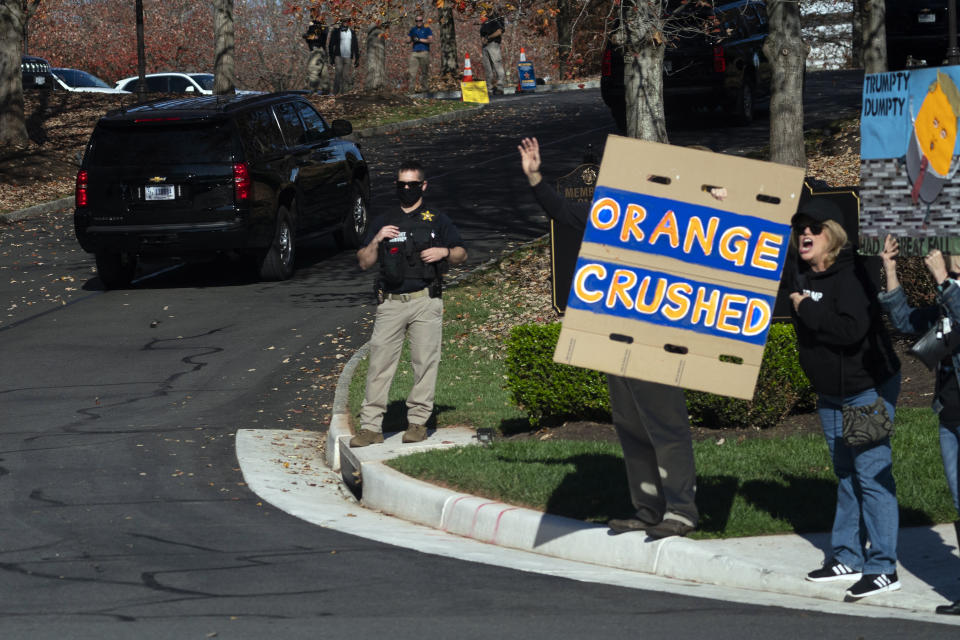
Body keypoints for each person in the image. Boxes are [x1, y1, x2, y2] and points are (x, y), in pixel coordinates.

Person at [517, 136, 698, 539]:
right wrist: (535, 179)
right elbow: (563, 211)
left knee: (666, 428)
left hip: (660, 338)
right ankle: (648, 509)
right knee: (630, 426)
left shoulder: (680, 219)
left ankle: (682, 511)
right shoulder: (611, 216)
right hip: (618, 337)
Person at [788, 197, 903, 599]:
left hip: (866, 388)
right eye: (801, 227)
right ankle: (846, 556)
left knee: (871, 474)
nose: (805, 234)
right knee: (845, 472)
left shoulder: (852, 275)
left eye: (814, 228)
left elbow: (850, 330)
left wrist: (806, 311)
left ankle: (884, 566)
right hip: (830, 394)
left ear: (832, 236)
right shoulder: (801, 272)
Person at [351, 160, 468, 448]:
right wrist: (377, 239)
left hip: (425, 300)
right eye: (401, 185)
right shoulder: (385, 219)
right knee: (379, 363)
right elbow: (364, 262)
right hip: (391, 302)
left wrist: (444, 251)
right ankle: (370, 428)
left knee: (425, 363)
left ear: (423, 186)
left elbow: (462, 254)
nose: (406, 189)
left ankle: (417, 423)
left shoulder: (436, 219)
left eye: (412, 185)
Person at [877, 237, 960, 615]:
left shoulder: (951, 295)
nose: (951, 250)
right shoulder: (947, 301)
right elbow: (905, 320)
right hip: (950, 417)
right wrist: (891, 270)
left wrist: (944, 280)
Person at [328, 18, 360, 94]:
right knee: (338, 74)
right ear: (341, 22)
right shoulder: (336, 32)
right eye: (344, 21)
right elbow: (331, 45)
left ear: (349, 23)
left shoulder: (352, 32)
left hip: (348, 57)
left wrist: (357, 58)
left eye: (347, 21)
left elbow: (355, 46)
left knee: (345, 75)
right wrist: (331, 57)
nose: (345, 23)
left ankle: (345, 92)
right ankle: (335, 93)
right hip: (338, 56)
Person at [480, 11, 506, 95]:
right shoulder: (485, 21)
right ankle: (489, 89)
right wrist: (483, 39)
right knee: (488, 69)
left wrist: (489, 37)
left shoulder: (497, 19)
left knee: (497, 66)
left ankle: (500, 87)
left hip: (493, 44)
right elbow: (482, 33)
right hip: (485, 46)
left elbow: (499, 31)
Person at [302, 15, 330, 94]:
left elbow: (318, 37)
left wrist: (312, 31)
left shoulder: (321, 27)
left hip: (317, 50)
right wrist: (309, 35)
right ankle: (326, 91)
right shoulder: (313, 28)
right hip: (320, 51)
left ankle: (313, 91)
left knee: (313, 70)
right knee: (323, 71)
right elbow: (305, 36)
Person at [407, 14, 434, 93]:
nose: (418, 22)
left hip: (424, 52)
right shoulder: (413, 29)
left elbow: (430, 40)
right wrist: (411, 38)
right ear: (415, 21)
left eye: (420, 20)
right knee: (412, 72)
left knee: (424, 72)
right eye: (417, 21)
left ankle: (425, 89)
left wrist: (419, 39)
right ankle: (411, 90)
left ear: (422, 21)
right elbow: (407, 40)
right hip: (414, 53)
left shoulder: (427, 29)